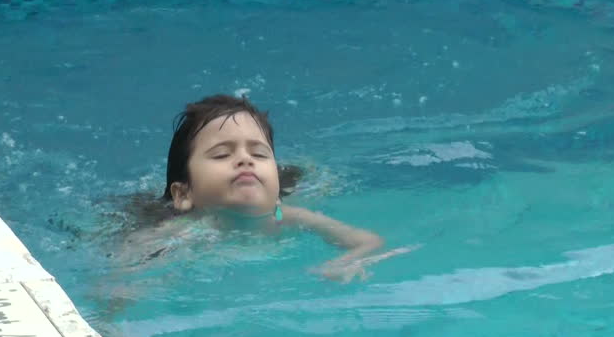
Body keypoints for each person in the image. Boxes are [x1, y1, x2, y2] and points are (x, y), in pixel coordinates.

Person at [120, 93, 416, 283]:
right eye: (223, 154)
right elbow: (122, 277)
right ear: (184, 195)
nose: (245, 160)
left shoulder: (287, 216)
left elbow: (368, 241)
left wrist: (345, 262)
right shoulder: (181, 234)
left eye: (259, 154)